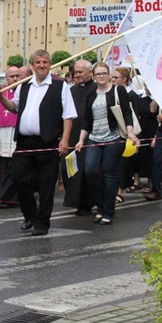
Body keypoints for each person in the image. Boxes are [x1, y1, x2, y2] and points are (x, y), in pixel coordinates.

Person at [0, 50, 76, 236]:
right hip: (24, 143)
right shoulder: (24, 85)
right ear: (32, 65)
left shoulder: (60, 86)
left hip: (47, 142)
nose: (41, 65)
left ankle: (42, 223)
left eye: (45, 62)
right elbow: (14, 108)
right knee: (20, 180)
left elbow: (68, 115)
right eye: (38, 62)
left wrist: (65, 139)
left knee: (46, 185)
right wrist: (1, 99)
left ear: (50, 64)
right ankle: (30, 215)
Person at [74, 62, 140, 225]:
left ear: (109, 74)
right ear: (94, 76)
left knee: (110, 175)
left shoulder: (118, 90)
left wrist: (130, 132)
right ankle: (101, 204)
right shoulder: (91, 93)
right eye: (98, 74)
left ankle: (108, 211)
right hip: (94, 137)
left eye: (104, 73)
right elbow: (87, 120)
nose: (101, 76)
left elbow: (126, 113)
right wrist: (81, 140)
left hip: (114, 137)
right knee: (90, 171)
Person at [63, 59, 97, 215]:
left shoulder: (97, 89)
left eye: (80, 72)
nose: (77, 75)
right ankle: (74, 201)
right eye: (75, 72)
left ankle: (87, 203)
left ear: (90, 72)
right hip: (73, 134)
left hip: (90, 134)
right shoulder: (71, 90)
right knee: (72, 168)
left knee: (87, 169)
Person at [0, 66, 21, 208]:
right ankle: (1, 195)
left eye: (17, 76)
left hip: (15, 131)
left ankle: (9, 196)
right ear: (6, 78)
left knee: (12, 164)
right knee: (1, 165)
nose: (15, 79)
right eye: (12, 76)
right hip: (1, 132)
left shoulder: (24, 91)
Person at [112, 67, 142, 202]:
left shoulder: (132, 95)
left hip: (126, 132)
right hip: (114, 131)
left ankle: (121, 191)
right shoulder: (111, 92)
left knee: (124, 163)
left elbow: (133, 115)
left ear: (123, 79)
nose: (112, 79)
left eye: (115, 77)